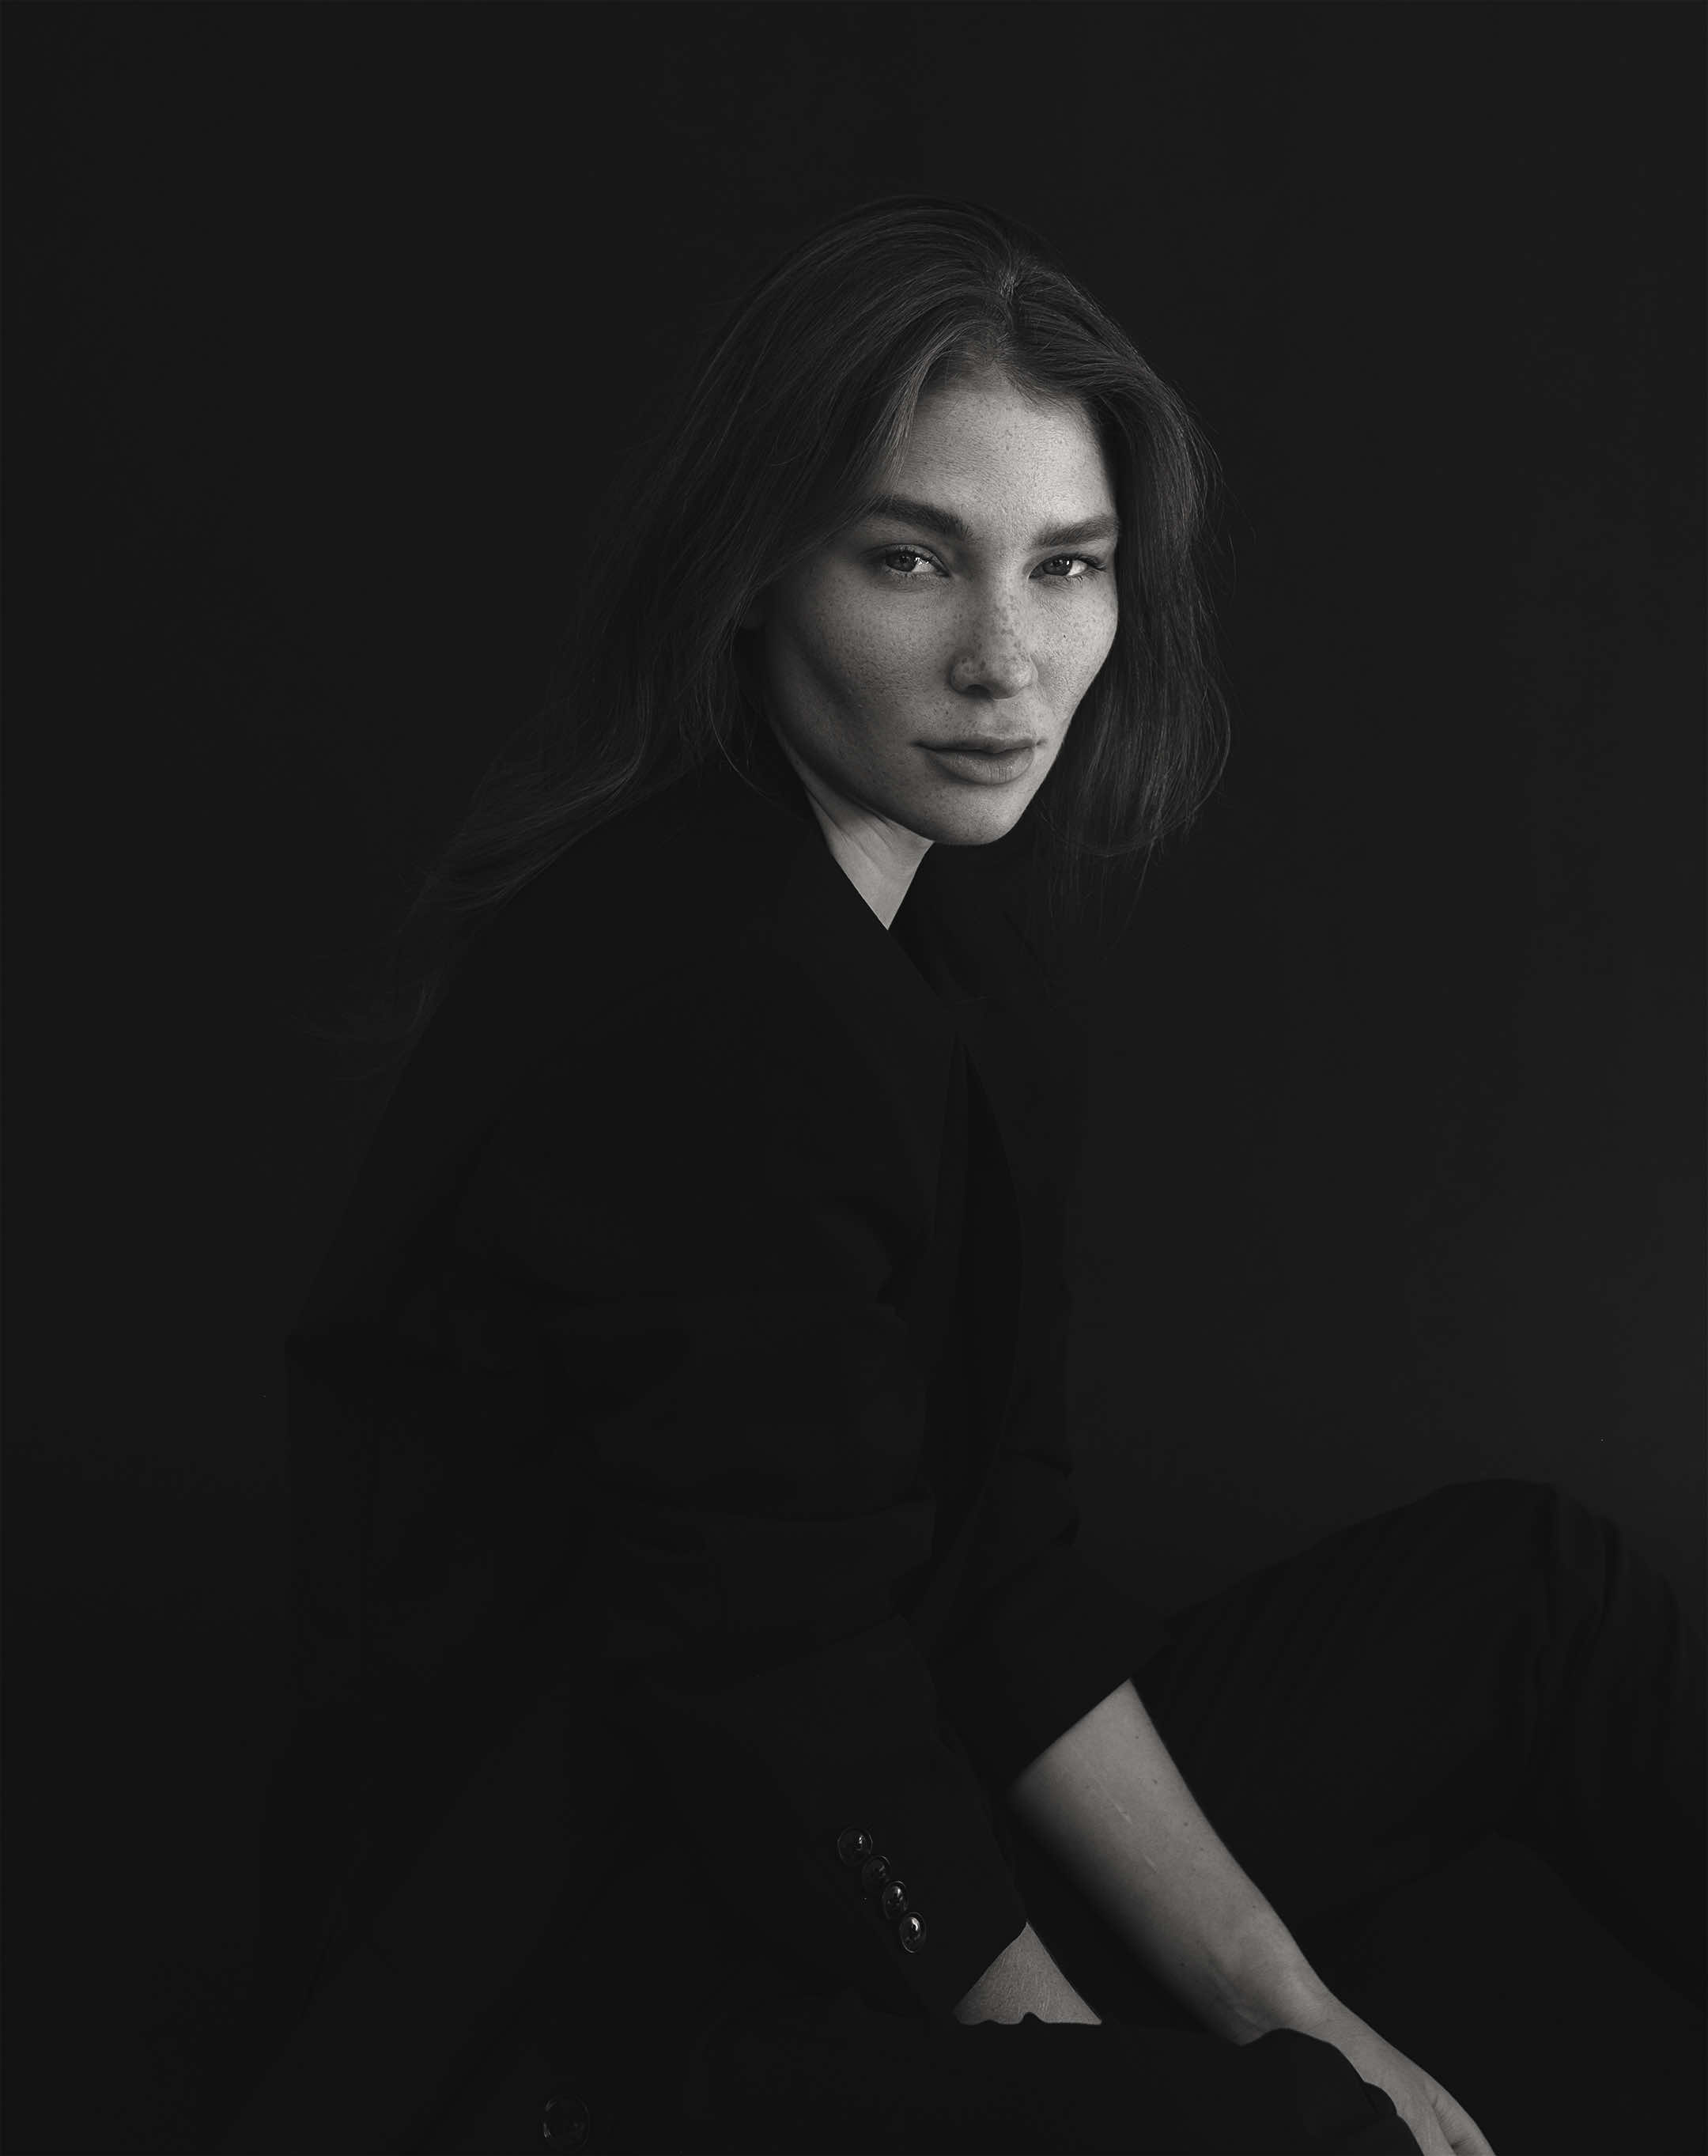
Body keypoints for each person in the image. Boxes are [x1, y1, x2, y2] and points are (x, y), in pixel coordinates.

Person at [210, 197, 1703, 2156]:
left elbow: (996, 1568)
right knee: (1298, 2140)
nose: (1009, 659)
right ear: (753, 568)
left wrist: (1291, 2001)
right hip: (636, 1984)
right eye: (911, 558)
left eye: (1066, 565)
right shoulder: (698, 991)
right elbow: (773, 1682)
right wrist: (1108, 2072)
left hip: (874, 1798)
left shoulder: (948, 943)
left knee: (1526, 1594)